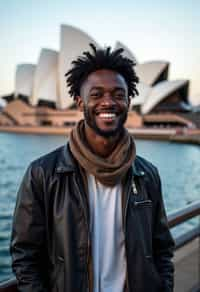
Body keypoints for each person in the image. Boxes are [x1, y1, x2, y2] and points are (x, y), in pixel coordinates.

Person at [10, 44, 174, 292]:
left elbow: (162, 248)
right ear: (79, 102)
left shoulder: (146, 174)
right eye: (96, 94)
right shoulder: (43, 173)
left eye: (118, 94)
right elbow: (25, 255)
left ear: (129, 101)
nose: (108, 102)